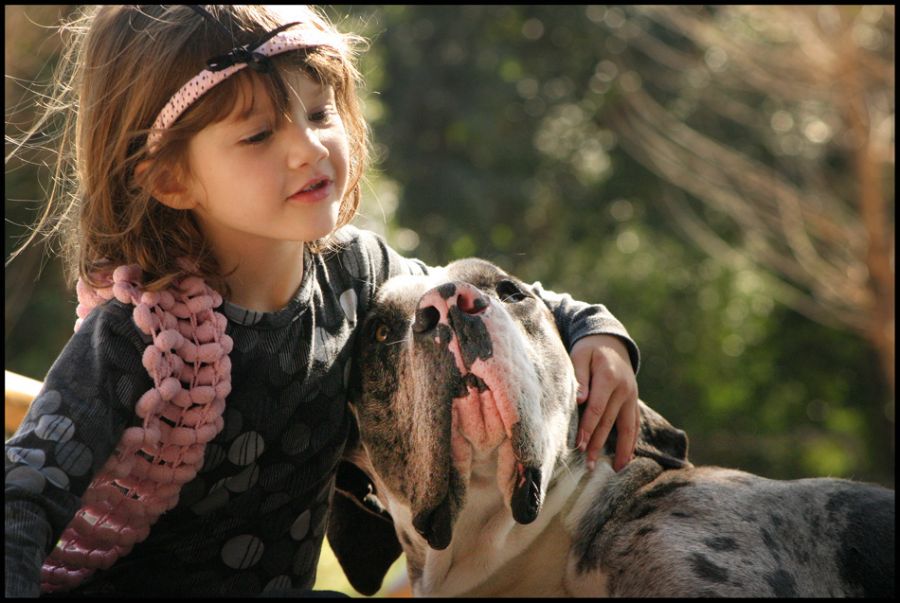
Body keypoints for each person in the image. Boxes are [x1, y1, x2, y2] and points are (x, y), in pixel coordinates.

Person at [4, 5, 641, 597]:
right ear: (170, 178)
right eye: (257, 136)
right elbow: (22, 499)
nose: (308, 149)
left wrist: (596, 332)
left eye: (319, 114)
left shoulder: (356, 272)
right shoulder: (141, 341)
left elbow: (487, 299)